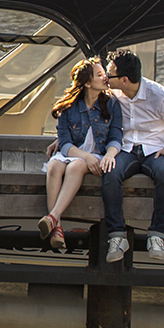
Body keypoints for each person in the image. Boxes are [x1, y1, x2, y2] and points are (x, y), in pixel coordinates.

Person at [98, 49, 164, 263]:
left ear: (124, 80)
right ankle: (117, 236)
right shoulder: (113, 93)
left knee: (163, 173)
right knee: (110, 173)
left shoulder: (159, 95)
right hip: (127, 148)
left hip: (156, 148)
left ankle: (157, 235)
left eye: (109, 74)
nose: (105, 77)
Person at [38, 57, 121, 251]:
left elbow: (116, 136)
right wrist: (85, 156)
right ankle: (57, 227)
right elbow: (65, 143)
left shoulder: (112, 104)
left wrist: (109, 154)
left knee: (75, 166)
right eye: (100, 75)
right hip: (77, 153)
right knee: (54, 166)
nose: (105, 78)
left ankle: (52, 218)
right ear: (87, 82)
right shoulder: (69, 107)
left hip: (97, 155)